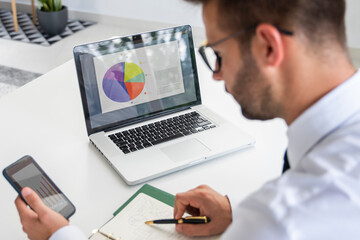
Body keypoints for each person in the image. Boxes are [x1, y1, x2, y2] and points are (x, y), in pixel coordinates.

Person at [15, 0, 360, 239]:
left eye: (219, 55)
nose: (216, 76)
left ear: (268, 47)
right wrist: (235, 215)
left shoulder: (279, 220)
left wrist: (59, 235)